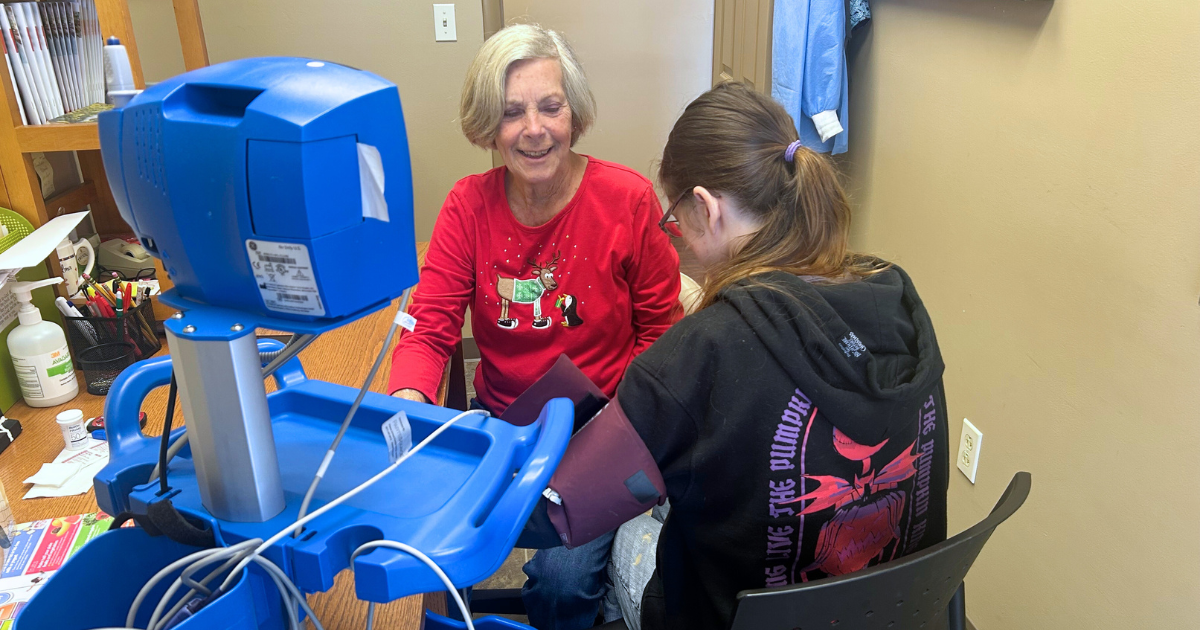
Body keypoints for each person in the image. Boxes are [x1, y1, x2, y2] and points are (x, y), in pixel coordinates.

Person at [524, 82, 951, 630]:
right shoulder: (897, 298)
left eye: (676, 223)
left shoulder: (700, 351)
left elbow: (558, 511)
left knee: (629, 525)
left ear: (706, 206)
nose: (679, 241)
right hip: (885, 613)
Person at [388, 24, 682, 630]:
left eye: (551, 107)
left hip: (606, 429)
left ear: (574, 113)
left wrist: (627, 423)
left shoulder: (626, 200)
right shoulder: (468, 206)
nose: (535, 129)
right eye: (512, 112)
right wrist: (409, 404)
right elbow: (430, 326)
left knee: (559, 582)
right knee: (418, 545)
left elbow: (662, 331)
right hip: (507, 433)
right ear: (487, 126)